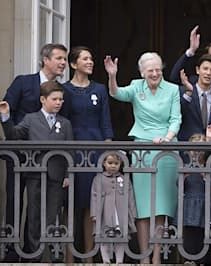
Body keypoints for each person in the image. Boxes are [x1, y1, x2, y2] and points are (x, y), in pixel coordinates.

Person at [104, 52, 181, 264]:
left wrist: (167, 138)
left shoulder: (173, 89)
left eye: (158, 69)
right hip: (142, 151)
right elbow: (116, 94)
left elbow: (176, 119)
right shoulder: (136, 86)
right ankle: (144, 258)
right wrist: (112, 76)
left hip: (166, 150)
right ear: (142, 72)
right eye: (150, 70)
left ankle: (156, 258)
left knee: (162, 208)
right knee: (144, 207)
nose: (155, 73)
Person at [1, 43, 67, 260]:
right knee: (15, 199)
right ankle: (11, 249)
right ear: (45, 59)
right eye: (59, 58)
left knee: (38, 203)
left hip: (48, 159)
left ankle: (31, 251)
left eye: (65, 59)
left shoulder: (60, 91)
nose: (63, 63)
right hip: (19, 153)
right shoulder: (24, 81)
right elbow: (7, 109)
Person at [60, 46, 113, 261]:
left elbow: (105, 121)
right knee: (71, 204)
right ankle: (69, 259)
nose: (90, 62)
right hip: (73, 151)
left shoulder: (99, 90)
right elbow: (61, 122)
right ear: (74, 64)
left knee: (92, 206)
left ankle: (89, 258)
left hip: (95, 151)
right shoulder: (64, 90)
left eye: (91, 58)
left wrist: (108, 152)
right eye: (85, 59)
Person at [90, 152, 137, 263]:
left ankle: (119, 261)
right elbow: (94, 196)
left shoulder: (125, 179)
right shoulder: (98, 178)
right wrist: (94, 214)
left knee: (121, 236)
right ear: (104, 163)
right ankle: (105, 260)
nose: (113, 166)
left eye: (116, 163)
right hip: (104, 212)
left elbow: (131, 197)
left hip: (120, 213)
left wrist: (133, 214)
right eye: (110, 163)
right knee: (103, 235)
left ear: (120, 164)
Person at [181, 133, 211, 264]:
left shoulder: (210, 165)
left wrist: (206, 177)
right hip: (189, 206)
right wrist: (183, 177)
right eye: (194, 148)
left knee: (204, 237)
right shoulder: (185, 165)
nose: (197, 152)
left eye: (200, 148)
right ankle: (189, 260)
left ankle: (203, 261)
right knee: (189, 236)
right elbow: (179, 186)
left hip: (205, 206)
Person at [178, 54, 211, 142]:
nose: (208, 73)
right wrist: (188, 93)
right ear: (198, 70)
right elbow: (177, 115)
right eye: (205, 69)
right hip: (186, 149)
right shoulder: (184, 93)